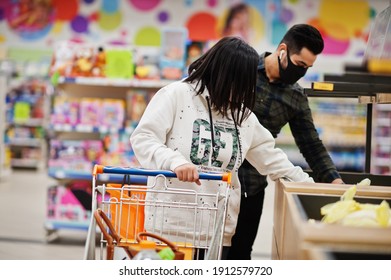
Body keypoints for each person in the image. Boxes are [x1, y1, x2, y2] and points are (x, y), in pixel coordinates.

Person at [130, 36, 314, 259]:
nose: (241, 90)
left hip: (217, 231)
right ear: (220, 73)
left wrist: (312, 187)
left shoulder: (242, 116)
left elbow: (272, 158)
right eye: (237, 82)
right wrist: (175, 162)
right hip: (169, 229)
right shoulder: (176, 95)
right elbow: (143, 138)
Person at [227, 24, 344, 260]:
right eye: (300, 65)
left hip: (252, 187)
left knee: (240, 255)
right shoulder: (242, 69)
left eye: (307, 68)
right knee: (208, 251)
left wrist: (334, 180)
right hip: (216, 181)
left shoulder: (296, 97)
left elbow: (311, 144)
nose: (300, 73)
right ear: (282, 50)